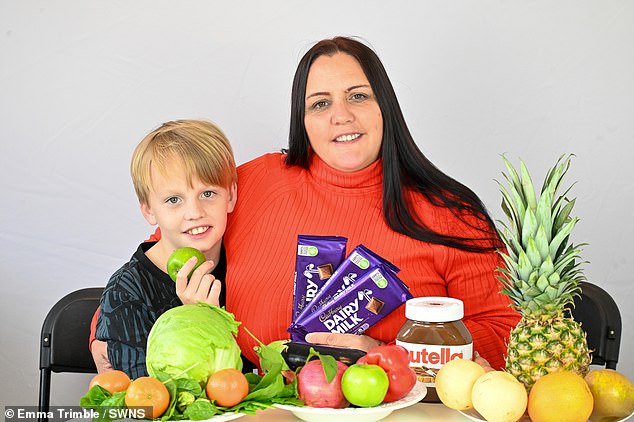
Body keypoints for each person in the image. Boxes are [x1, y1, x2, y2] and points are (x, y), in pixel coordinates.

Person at [92, 36, 519, 372]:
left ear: (384, 105)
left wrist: (388, 354)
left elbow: (507, 332)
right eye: (320, 103)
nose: (341, 116)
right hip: (256, 406)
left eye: (358, 96)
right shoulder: (255, 182)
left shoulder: (453, 214)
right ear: (303, 117)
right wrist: (103, 329)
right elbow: (166, 248)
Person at [94, 119, 237, 378]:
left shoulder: (244, 263)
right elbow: (145, 402)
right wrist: (199, 319)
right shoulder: (126, 292)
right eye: (174, 199)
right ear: (149, 210)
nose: (194, 213)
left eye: (207, 193)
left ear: (230, 196)